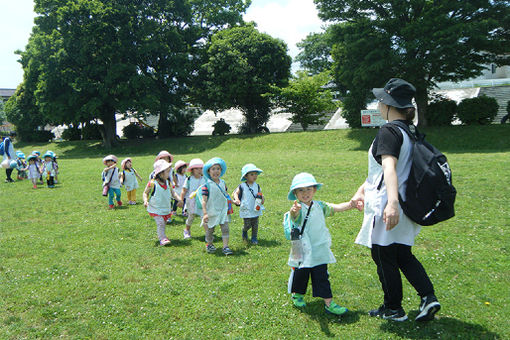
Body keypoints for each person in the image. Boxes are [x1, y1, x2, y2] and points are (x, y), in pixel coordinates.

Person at [351, 78, 441, 322]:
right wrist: (362, 190)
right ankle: (428, 296)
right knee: (402, 255)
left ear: (388, 104)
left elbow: (390, 168)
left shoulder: (388, 130)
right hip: (407, 204)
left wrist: (391, 204)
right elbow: (383, 172)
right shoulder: (409, 131)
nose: (378, 104)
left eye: (381, 100)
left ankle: (393, 308)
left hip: (389, 206)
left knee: (382, 255)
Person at [283, 172, 356, 316]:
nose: (305, 193)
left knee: (322, 275)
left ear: (315, 190)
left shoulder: (320, 206)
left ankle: (329, 303)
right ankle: (297, 295)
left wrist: (350, 205)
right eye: (301, 190)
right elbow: (294, 217)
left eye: (309, 189)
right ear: (295, 193)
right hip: (302, 248)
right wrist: (294, 212)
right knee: (301, 273)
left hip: (319, 248)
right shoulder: (298, 208)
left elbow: (335, 208)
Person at [143, 159, 183, 246]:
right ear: (160, 173)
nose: (169, 174)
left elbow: (173, 193)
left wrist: (179, 199)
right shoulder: (152, 183)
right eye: (167, 172)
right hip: (155, 208)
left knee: (163, 223)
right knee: (160, 222)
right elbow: (145, 193)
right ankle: (162, 238)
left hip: (165, 208)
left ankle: (162, 235)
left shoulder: (168, 183)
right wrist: (145, 200)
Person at [201, 157, 233, 255]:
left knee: (225, 228)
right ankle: (209, 244)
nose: (216, 171)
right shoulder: (207, 186)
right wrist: (205, 213)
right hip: (211, 211)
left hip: (223, 210)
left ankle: (225, 247)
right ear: (209, 172)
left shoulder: (223, 183)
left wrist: (231, 204)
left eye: (218, 169)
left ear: (221, 170)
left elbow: (226, 195)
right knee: (210, 230)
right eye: (213, 169)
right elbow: (204, 201)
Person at [232, 163, 265, 244]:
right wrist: (237, 199)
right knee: (247, 224)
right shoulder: (242, 186)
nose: (254, 176)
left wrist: (263, 199)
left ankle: (254, 237)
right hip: (246, 208)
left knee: (255, 225)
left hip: (255, 207)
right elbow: (235, 193)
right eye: (252, 174)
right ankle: (244, 231)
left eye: (256, 174)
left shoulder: (257, 186)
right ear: (246, 176)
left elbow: (260, 194)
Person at [180, 158, 206, 239]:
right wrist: (181, 200)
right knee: (191, 216)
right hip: (191, 201)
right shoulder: (189, 179)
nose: (199, 170)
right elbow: (183, 190)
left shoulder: (205, 179)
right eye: (196, 168)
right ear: (192, 170)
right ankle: (187, 230)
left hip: (202, 201)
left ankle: (208, 233)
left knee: (204, 216)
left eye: (201, 168)